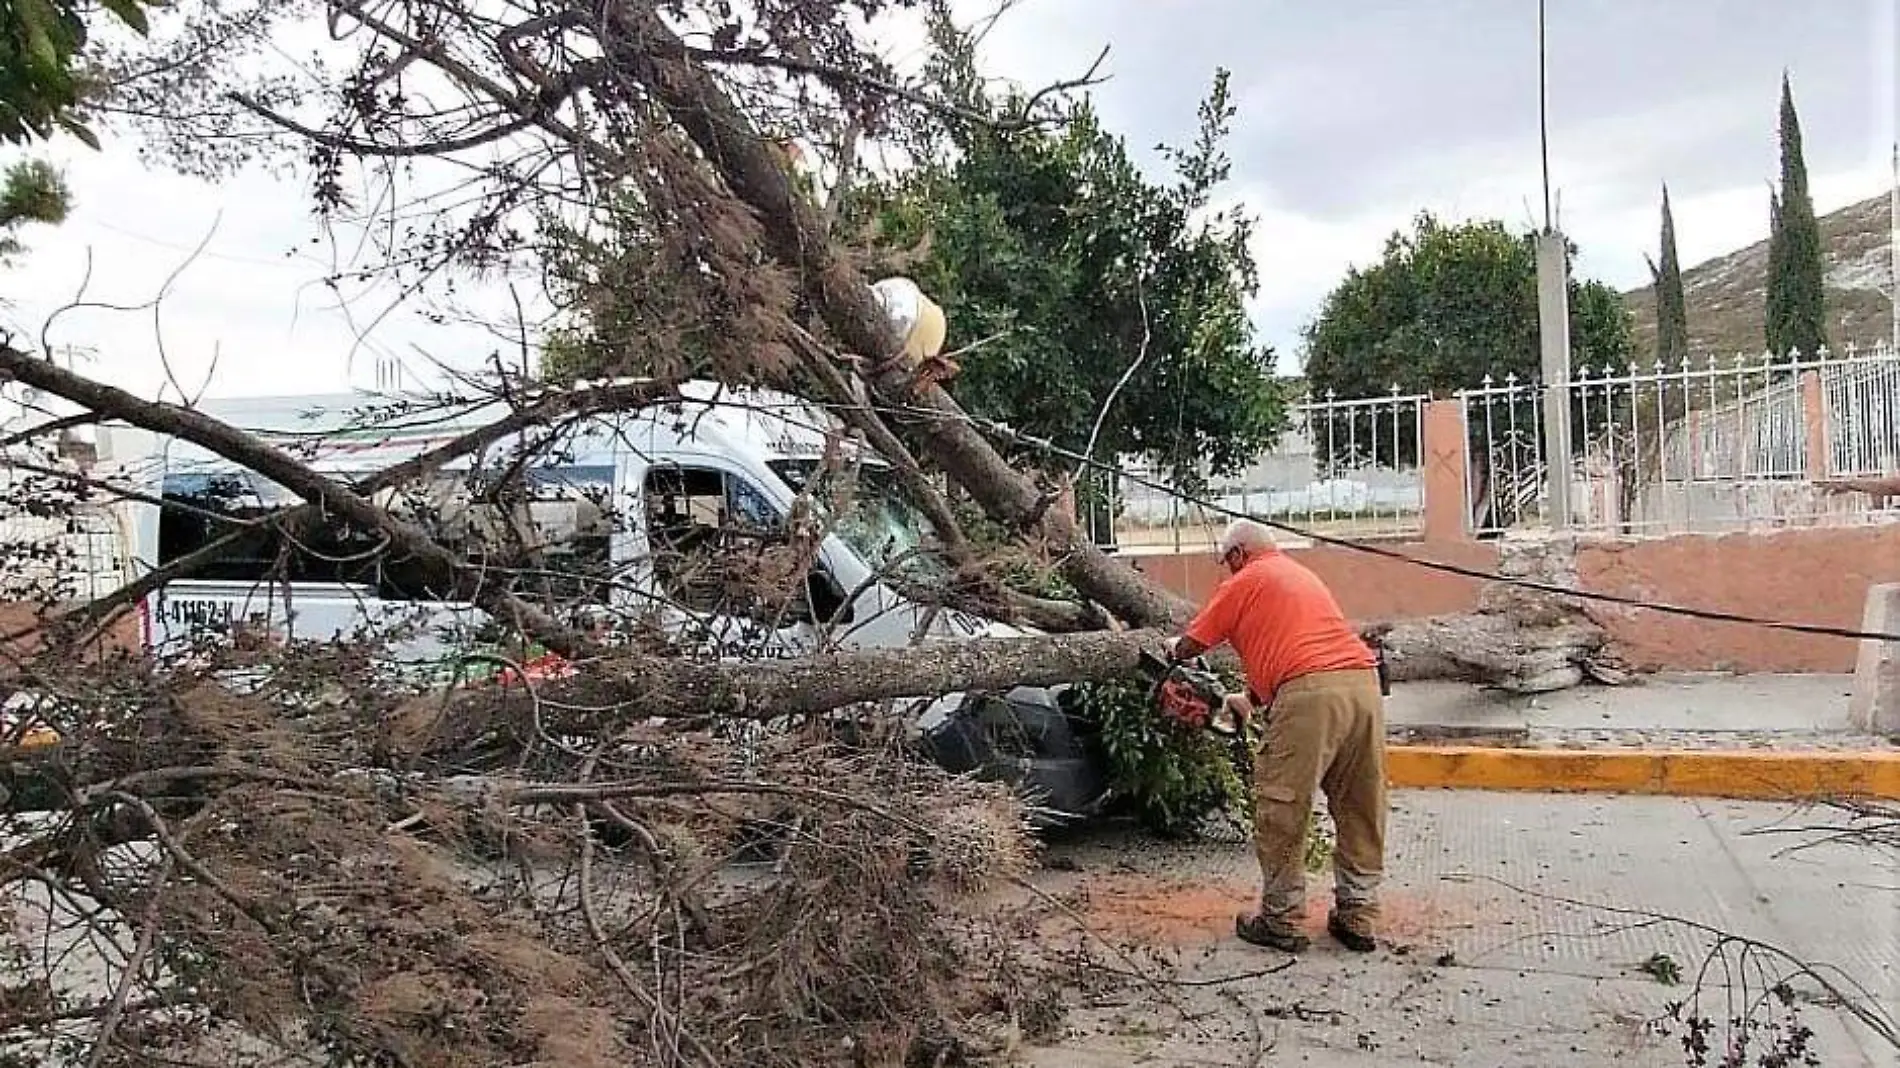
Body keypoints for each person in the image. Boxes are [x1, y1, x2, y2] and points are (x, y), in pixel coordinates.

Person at [1165, 518, 1386, 954]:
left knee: (1282, 802)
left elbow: (1193, 643)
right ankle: (1358, 912)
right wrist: (1247, 699)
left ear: (1237, 555)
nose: (1227, 572)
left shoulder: (1247, 577)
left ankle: (1281, 917)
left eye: (1227, 563)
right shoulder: (1300, 576)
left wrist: (1169, 651)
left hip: (1307, 694)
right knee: (1360, 801)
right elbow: (1299, 647)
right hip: (1362, 686)